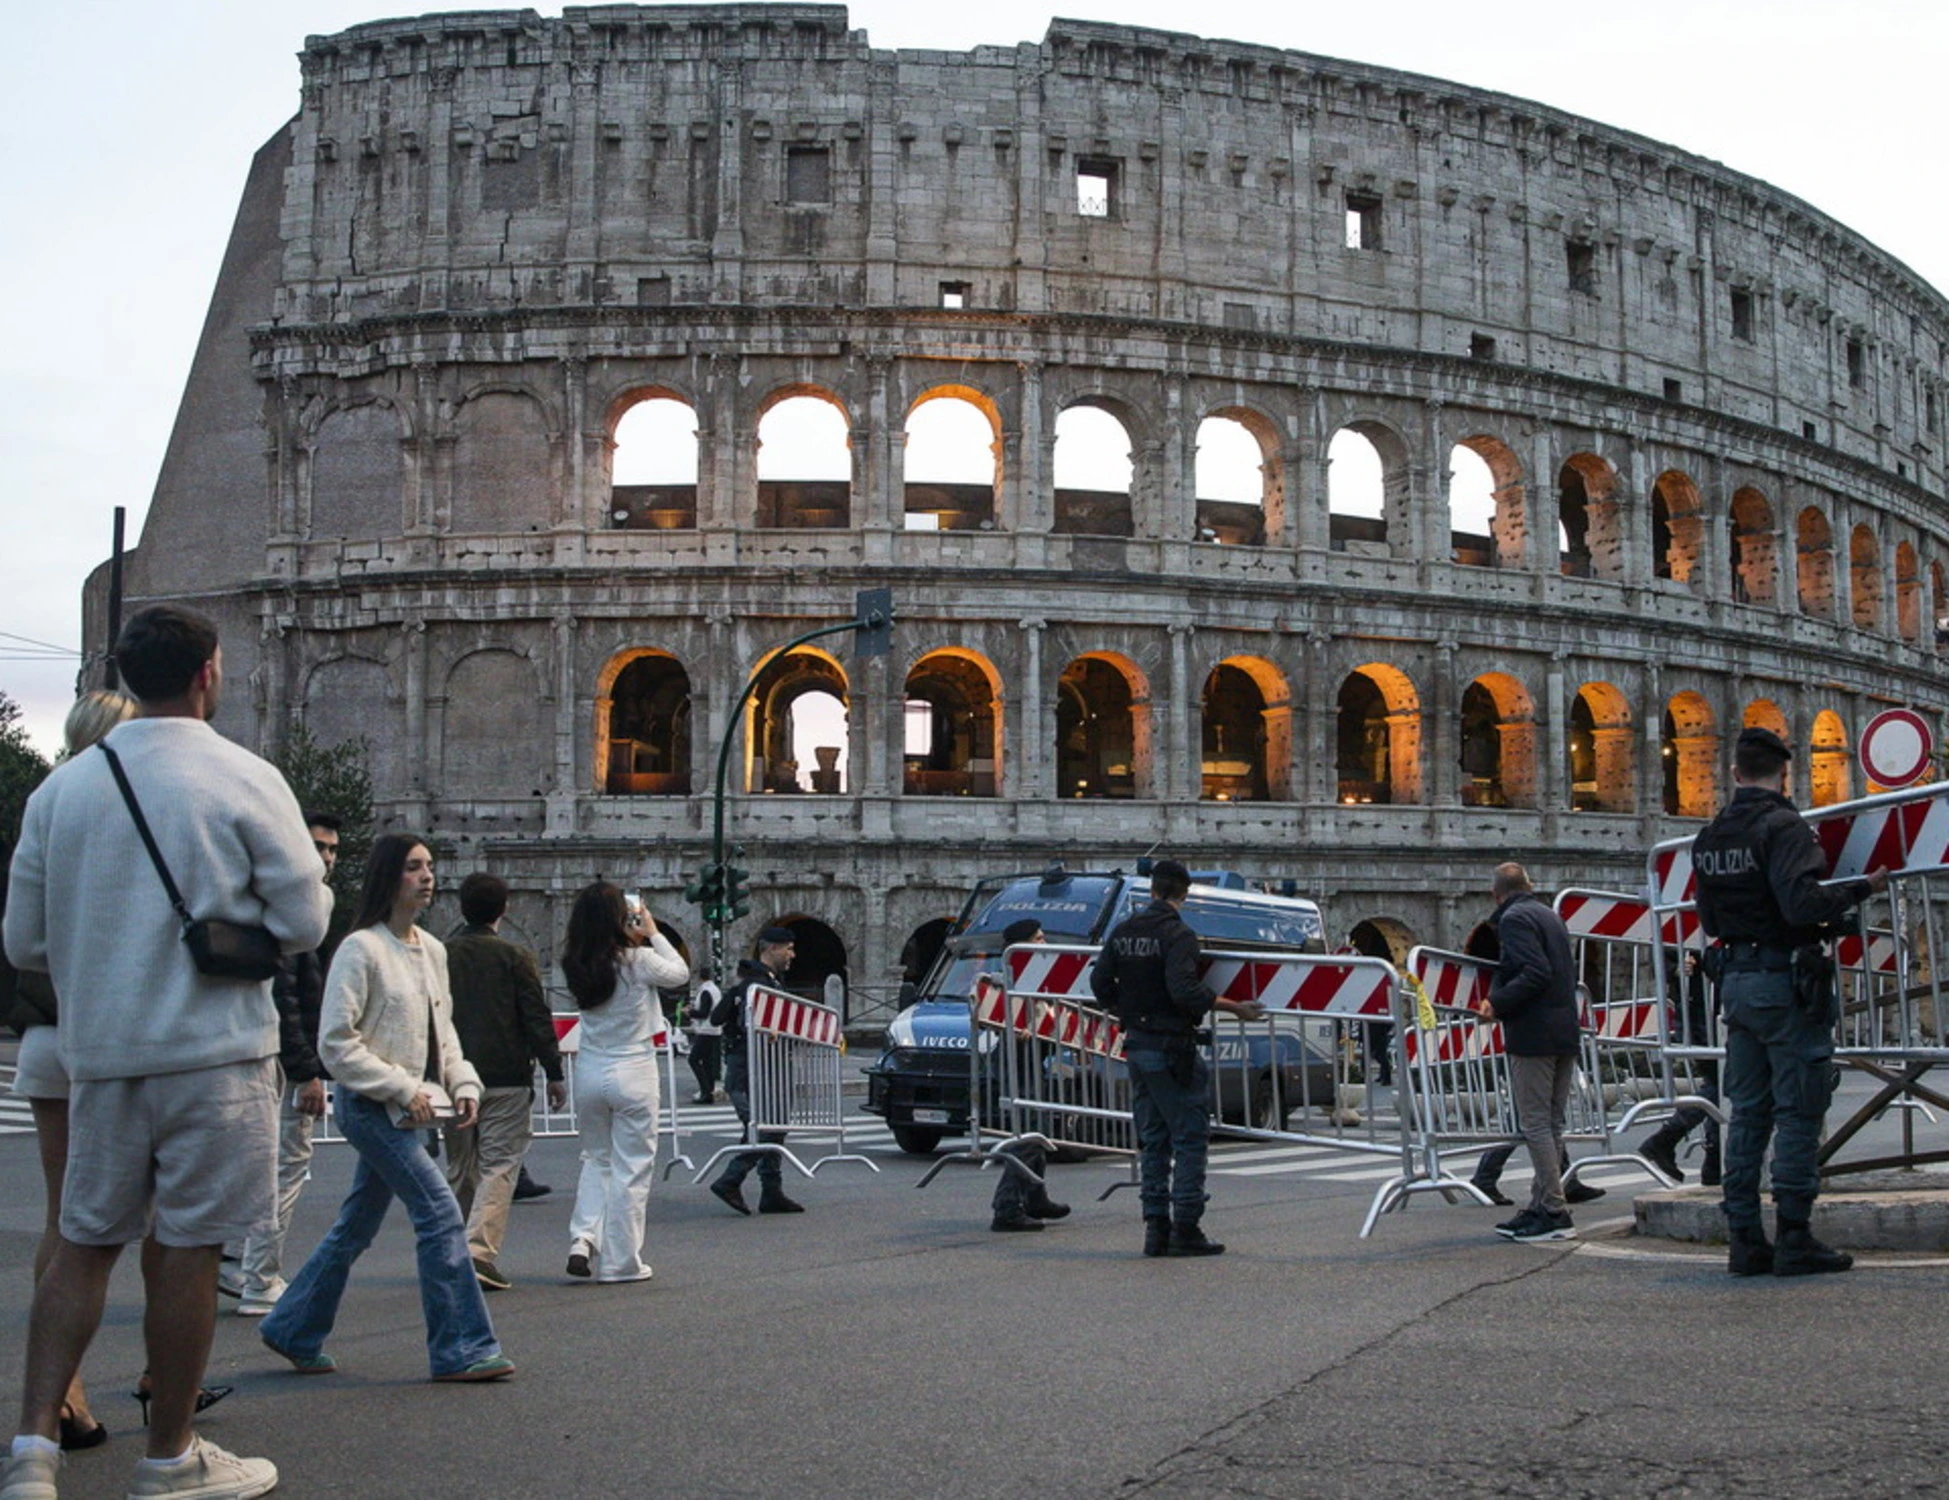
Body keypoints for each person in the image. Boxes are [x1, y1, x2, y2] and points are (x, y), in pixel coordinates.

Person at [1, 605, 331, 1500]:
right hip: (214, 1051)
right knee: (188, 1248)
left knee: (82, 1241)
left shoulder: (61, 791)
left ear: (124, 676)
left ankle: (31, 1451)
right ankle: (170, 1453)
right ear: (208, 675)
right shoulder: (246, 777)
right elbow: (304, 921)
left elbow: (24, 940)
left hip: (102, 1052)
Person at [259, 834, 515, 1381]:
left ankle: (293, 1327)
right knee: (441, 1213)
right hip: (375, 1105)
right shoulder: (361, 948)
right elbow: (337, 1043)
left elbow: (442, 1031)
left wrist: (463, 1083)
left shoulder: (434, 950)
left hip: (413, 1108)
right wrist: (402, 1087)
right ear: (387, 878)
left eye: (429, 867)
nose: (427, 876)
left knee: (355, 1225)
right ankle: (460, 1348)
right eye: (413, 868)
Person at [1692, 725, 1888, 1277]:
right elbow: (1801, 903)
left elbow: (1706, 918)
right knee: (1800, 1109)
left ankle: (1744, 1239)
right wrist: (1860, 888)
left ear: (1734, 773)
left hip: (1735, 981)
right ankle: (1795, 1237)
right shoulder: (1783, 826)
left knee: (1748, 1114)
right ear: (1784, 774)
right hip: (1783, 980)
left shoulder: (1710, 835)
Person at [2, 691, 136, 1457]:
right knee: (134, 1226)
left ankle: (63, 1395)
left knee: (66, 1221)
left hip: (50, 1036)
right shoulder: (115, 811)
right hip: (109, 1036)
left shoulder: (45, 806)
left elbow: (22, 937)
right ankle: (115, 1387)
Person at [1090, 858, 1264, 1258]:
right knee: (1189, 1136)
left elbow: (1099, 981)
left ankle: (1155, 1228)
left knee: (1153, 1139)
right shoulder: (1179, 935)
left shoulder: (1123, 931)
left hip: (1136, 1042)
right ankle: (1186, 1225)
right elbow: (1184, 990)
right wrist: (1235, 1007)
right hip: (1172, 1045)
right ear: (1183, 894)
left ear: (1152, 889)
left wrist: (1126, 1011)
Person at [224, 810, 342, 1318]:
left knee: (255, 1164)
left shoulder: (269, 896)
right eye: (318, 846)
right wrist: (306, 1071)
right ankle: (259, 1277)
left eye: (334, 850)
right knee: (286, 1165)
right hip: (276, 1057)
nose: (326, 858)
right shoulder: (294, 905)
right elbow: (286, 996)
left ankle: (237, 1263)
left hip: (254, 1051)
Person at [438, 872, 566, 1293]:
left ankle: (454, 1251)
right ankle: (478, 1251)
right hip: (507, 1076)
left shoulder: (441, 956)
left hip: (454, 1076)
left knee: (460, 1166)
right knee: (499, 1165)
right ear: (504, 908)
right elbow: (534, 1017)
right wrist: (554, 1071)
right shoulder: (515, 957)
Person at [560, 884, 688, 1282]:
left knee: (596, 1160)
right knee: (631, 1168)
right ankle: (621, 1262)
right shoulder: (639, 959)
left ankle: (582, 1238)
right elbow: (680, 973)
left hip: (590, 1070)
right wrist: (651, 931)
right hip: (633, 1068)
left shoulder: (575, 962)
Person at [1461, 917, 1605, 1211]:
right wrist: (1498, 1002)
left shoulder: (1515, 926)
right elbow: (1531, 973)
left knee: (1539, 1116)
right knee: (1533, 1117)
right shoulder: (1517, 928)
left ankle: (1558, 1180)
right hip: (1530, 1029)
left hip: (1535, 1029)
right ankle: (1531, 1186)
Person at [1480, 862, 1583, 1244]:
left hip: (1535, 1032)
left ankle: (1555, 1210)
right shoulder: (1548, 915)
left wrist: (1496, 1002)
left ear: (1496, 894)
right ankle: (1542, 1204)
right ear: (1530, 885)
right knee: (1552, 1123)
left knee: (1536, 1123)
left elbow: (1534, 972)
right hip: (1564, 1029)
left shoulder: (1515, 919)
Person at [708, 927, 805, 1216]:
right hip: (755, 1067)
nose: (792, 954)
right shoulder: (758, 986)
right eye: (788, 948)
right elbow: (743, 1021)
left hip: (753, 1067)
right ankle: (731, 1180)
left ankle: (771, 1192)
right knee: (766, 1127)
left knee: (770, 1126)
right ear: (770, 948)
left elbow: (717, 1016)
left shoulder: (749, 984)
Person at [989, 918, 1072, 1233]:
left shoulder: (1040, 974)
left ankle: (1036, 1196)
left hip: (1032, 1058)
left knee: (1038, 1131)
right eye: (1038, 938)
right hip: (1015, 1058)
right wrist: (1015, 1026)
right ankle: (1006, 1207)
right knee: (1027, 1134)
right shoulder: (1009, 975)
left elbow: (1053, 1014)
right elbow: (991, 1011)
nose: (1044, 943)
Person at [1635, 949, 1722, 1186]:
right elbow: (1663, 951)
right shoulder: (1682, 927)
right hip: (1704, 1015)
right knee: (1724, 1086)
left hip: (1707, 1012)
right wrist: (1678, 968)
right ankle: (1669, 1141)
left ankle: (1713, 1163)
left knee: (1721, 1087)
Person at [685, 965, 724, 1104]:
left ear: (699, 977)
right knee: (708, 1062)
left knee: (693, 1059)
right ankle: (709, 1091)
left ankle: (705, 1090)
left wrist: (689, 1012)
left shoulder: (706, 991)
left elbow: (703, 1013)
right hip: (715, 1030)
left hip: (706, 1030)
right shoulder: (715, 990)